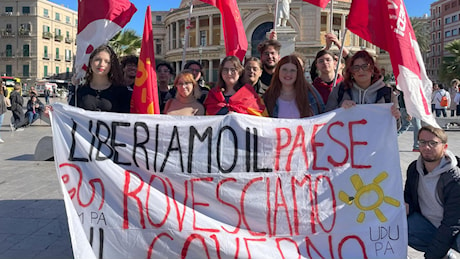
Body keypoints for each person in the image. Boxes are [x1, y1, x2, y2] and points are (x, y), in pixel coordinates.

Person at [404, 125, 460, 259]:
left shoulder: (455, 179)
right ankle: (446, 255)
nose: (426, 147)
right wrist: (407, 207)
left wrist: (431, 256)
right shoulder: (414, 169)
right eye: (422, 142)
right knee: (402, 226)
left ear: (444, 147)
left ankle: (440, 252)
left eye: (433, 143)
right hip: (429, 225)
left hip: (455, 229)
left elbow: (452, 224)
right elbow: (409, 198)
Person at [325, 50, 401, 121]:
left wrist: (396, 117)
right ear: (351, 72)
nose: (360, 71)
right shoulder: (340, 90)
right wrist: (340, 108)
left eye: (365, 66)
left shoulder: (387, 92)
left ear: (372, 69)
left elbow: (395, 127)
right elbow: (326, 117)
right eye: (356, 68)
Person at [70, 45, 130, 113]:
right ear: (90, 62)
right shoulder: (80, 90)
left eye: (107, 61)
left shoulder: (122, 91)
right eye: (97, 60)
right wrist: (73, 86)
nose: (102, 64)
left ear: (111, 65)